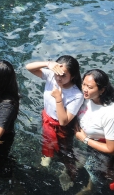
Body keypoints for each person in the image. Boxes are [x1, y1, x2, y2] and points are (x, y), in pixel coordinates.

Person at [26, 56, 83, 190]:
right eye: (57, 73)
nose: (58, 78)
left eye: (63, 75)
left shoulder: (76, 95)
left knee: (64, 152)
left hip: (61, 127)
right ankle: (48, 154)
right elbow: (29, 67)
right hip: (47, 119)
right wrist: (48, 64)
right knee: (47, 139)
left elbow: (64, 121)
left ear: (73, 76)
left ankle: (71, 171)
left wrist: (58, 99)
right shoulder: (52, 76)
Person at [74, 69, 114, 193]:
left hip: (99, 149)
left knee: (93, 176)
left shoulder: (111, 113)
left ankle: (89, 189)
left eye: (89, 87)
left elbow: (112, 149)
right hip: (83, 140)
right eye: (83, 84)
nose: (84, 89)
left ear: (102, 90)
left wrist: (84, 139)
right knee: (78, 163)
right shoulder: (86, 97)